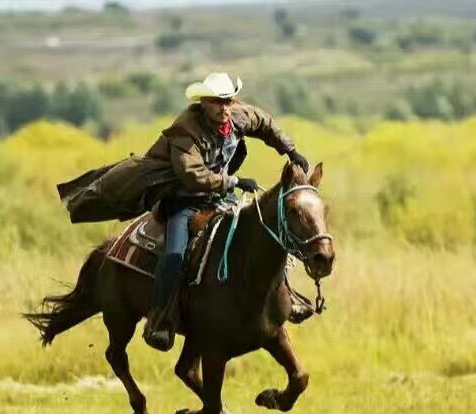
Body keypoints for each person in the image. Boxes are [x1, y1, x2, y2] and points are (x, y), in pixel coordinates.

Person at [56, 71, 310, 351]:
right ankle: (161, 319)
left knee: (265, 233)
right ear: (203, 103)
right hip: (183, 201)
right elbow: (193, 176)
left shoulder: (237, 116)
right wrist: (234, 181)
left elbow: (265, 124)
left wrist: (290, 150)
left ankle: (288, 296)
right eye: (216, 102)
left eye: (227, 100)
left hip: (219, 198)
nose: (224, 107)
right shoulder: (185, 131)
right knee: (175, 255)